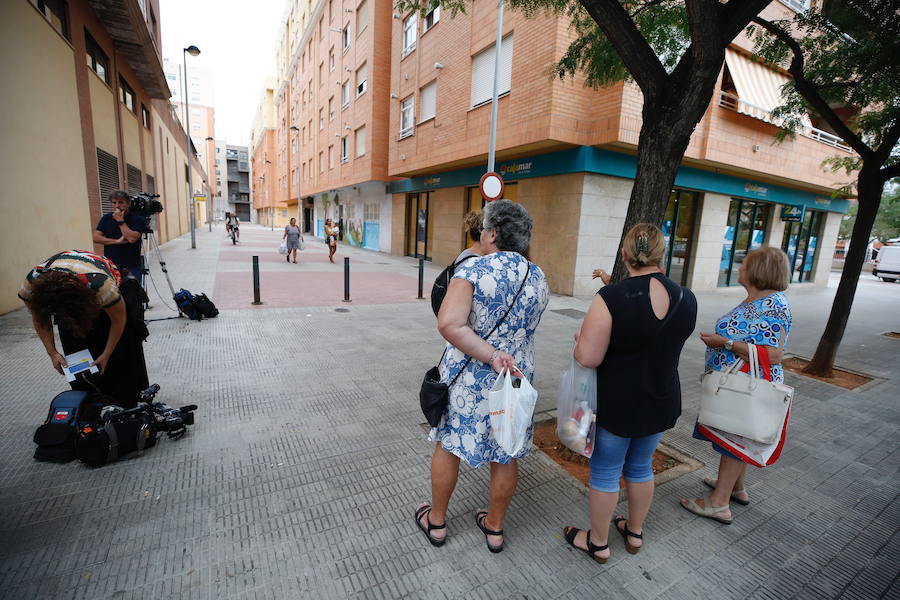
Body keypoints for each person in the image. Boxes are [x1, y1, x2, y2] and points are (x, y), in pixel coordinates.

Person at [415, 200, 550, 553]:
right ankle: (494, 527)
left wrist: (489, 354)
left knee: (449, 444)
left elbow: (449, 324)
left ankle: (438, 521)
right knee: (505, 452)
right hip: (515, 380)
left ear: (492, 233)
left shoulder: (474, 271)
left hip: (469, 381)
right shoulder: (538, 276)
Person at [563, 224, 697, 563]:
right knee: (640, 466)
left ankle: (598, 542)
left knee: (606, 472)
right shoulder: (687, 298)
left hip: (616, 404)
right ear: (662, 255)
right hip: (660, 399)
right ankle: (634, 533)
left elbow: (589, 357)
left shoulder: (611, 297)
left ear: (625, 255)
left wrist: (580, 342)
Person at [681, 246, 792, 524]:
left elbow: (775, 353)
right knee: (739, 436)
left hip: (746, 383)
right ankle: (735, 488)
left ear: (759, 270)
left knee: (735, 436)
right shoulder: (757, 299)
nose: (739, 268)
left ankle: (718, 503)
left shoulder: (774, 304)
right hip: (737, 380)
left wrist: (725, 343)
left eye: (745, 264)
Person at [18, 250, 150, 408]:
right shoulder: (30, 286)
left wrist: (107, 354)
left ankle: (125, 405)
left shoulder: (102, 287)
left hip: (103, 289)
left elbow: (118, 320)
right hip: (71, 293)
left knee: (119, 357)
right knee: (77, 358)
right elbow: (40, 319)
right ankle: (88, 405)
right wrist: (52, 353)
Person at [93, 190, 147, 284]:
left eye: (121, 202)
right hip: (111, 266)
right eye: (114, 203)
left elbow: (132, 238)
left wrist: (120, 221)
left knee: (133, 296)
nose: (117, 206)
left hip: (131, 267)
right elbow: (96, 238)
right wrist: (117, 241)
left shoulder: (138, 219)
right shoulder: (106, 218)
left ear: (128, 203)